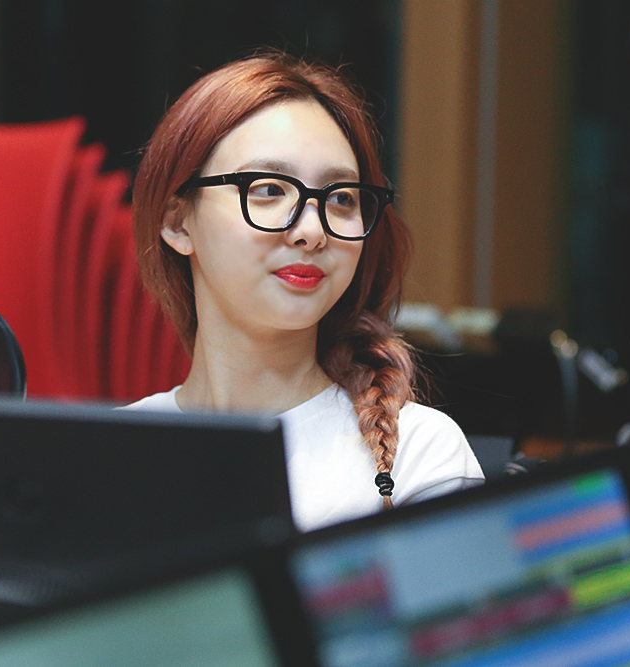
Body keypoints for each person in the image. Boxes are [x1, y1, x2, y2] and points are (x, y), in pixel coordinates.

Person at [125, 49, 483, 532]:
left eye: (341, 198)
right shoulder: (113, 450)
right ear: (177, 222)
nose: (312, 231)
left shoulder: (422, 454)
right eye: (269, 190)